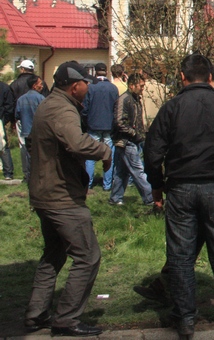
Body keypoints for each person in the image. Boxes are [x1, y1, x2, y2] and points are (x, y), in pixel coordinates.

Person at [144, 54, 214, 337]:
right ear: (210, 76)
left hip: (181, 186)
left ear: (182, 77)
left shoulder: (172, 108)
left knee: (181, 254)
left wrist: (156, 185)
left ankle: (185, 316)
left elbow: (152, 152)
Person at [25, 61, 112, 337]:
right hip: (61, 197)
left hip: (45, 192)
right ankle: (66, 319)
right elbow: (76, 142)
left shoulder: (49, 104)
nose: (89, 87)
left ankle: (37, 313)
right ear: (75, 86)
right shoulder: (62, 109)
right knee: (88, 256)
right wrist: (105, 151)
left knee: (54, 254)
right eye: (86, 83)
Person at [109, 73, 153, 206]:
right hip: (126, 141)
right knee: (138, 170)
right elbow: (119, 122)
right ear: (132, 85)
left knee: (122, 171)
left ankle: (115, 198)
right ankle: (150, 198)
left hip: (131, 140)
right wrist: (134, 134)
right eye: (141, 86)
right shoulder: (124, 99)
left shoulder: (135, 99)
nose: (143, 89)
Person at [82, 62, 119, 190]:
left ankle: (88, 183)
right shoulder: (113, 88)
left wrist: (86, 121)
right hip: (109, 125)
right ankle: (107, 185)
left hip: (93, 125)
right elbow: (116, 108)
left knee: (90, 156)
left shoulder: (90, 88)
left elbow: (85, 108)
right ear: (106, 72)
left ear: (95, 72)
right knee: (109, 155)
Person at [15, 76, 45, 183]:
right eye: (40, 83)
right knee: (41, 155)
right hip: (40, 132)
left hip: (27, 132)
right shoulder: (41, 99)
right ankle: (40, 177)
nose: (42, 86)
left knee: (29, 155)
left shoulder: (21, 99)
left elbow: (17, 115)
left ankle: (29, 177)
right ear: (34, 85)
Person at [0, 78, 15, 179]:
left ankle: (8, 171)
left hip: (1, 119)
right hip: (1, 119)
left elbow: (9, 106)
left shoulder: (4, 88)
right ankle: (8, 172)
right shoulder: (4, 87)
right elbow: (9, 106)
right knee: (3, 145)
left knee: (3, 144)